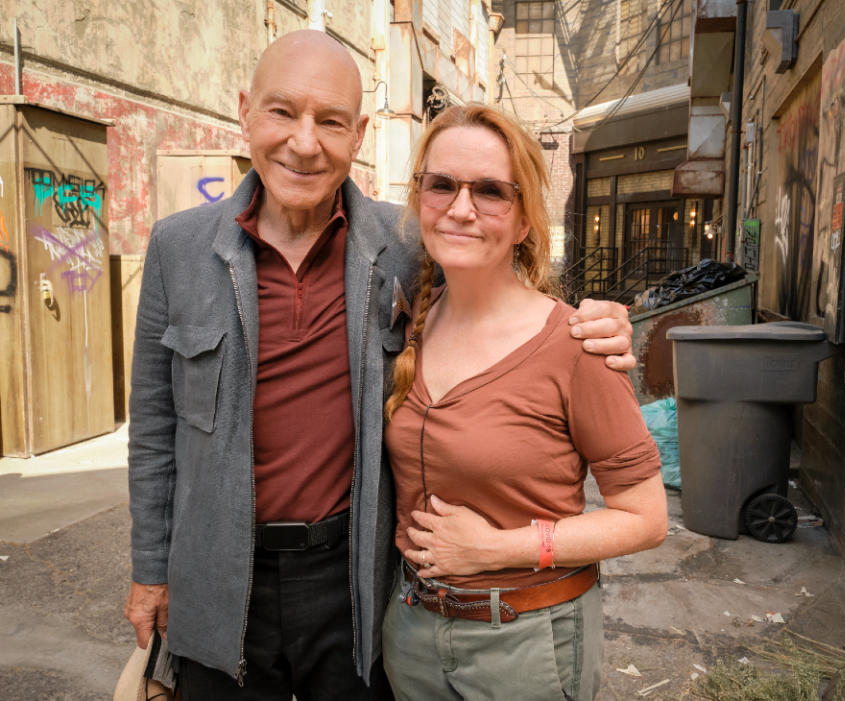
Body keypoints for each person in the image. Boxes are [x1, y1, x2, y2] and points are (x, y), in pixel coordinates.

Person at [123, 30, 637, 700]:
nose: (305, 143)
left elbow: (497, 294)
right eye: (282, 112)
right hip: (218, 574)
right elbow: (154, 432)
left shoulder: (407, 245)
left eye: (330, 121)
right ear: (245, 109)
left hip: (356, 579)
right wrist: (148, 572)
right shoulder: (177, 248)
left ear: (359, 133)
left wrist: (592, 322)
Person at [380, 104, 669, 701]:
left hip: (528, 647)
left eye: (490, 191)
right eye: (442, 185)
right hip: (412, 634)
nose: (461, 208)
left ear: (524, 221)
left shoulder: (577, 346)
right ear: (419, 200)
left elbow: (646, 520)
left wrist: (498, 548)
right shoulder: (407, 323)